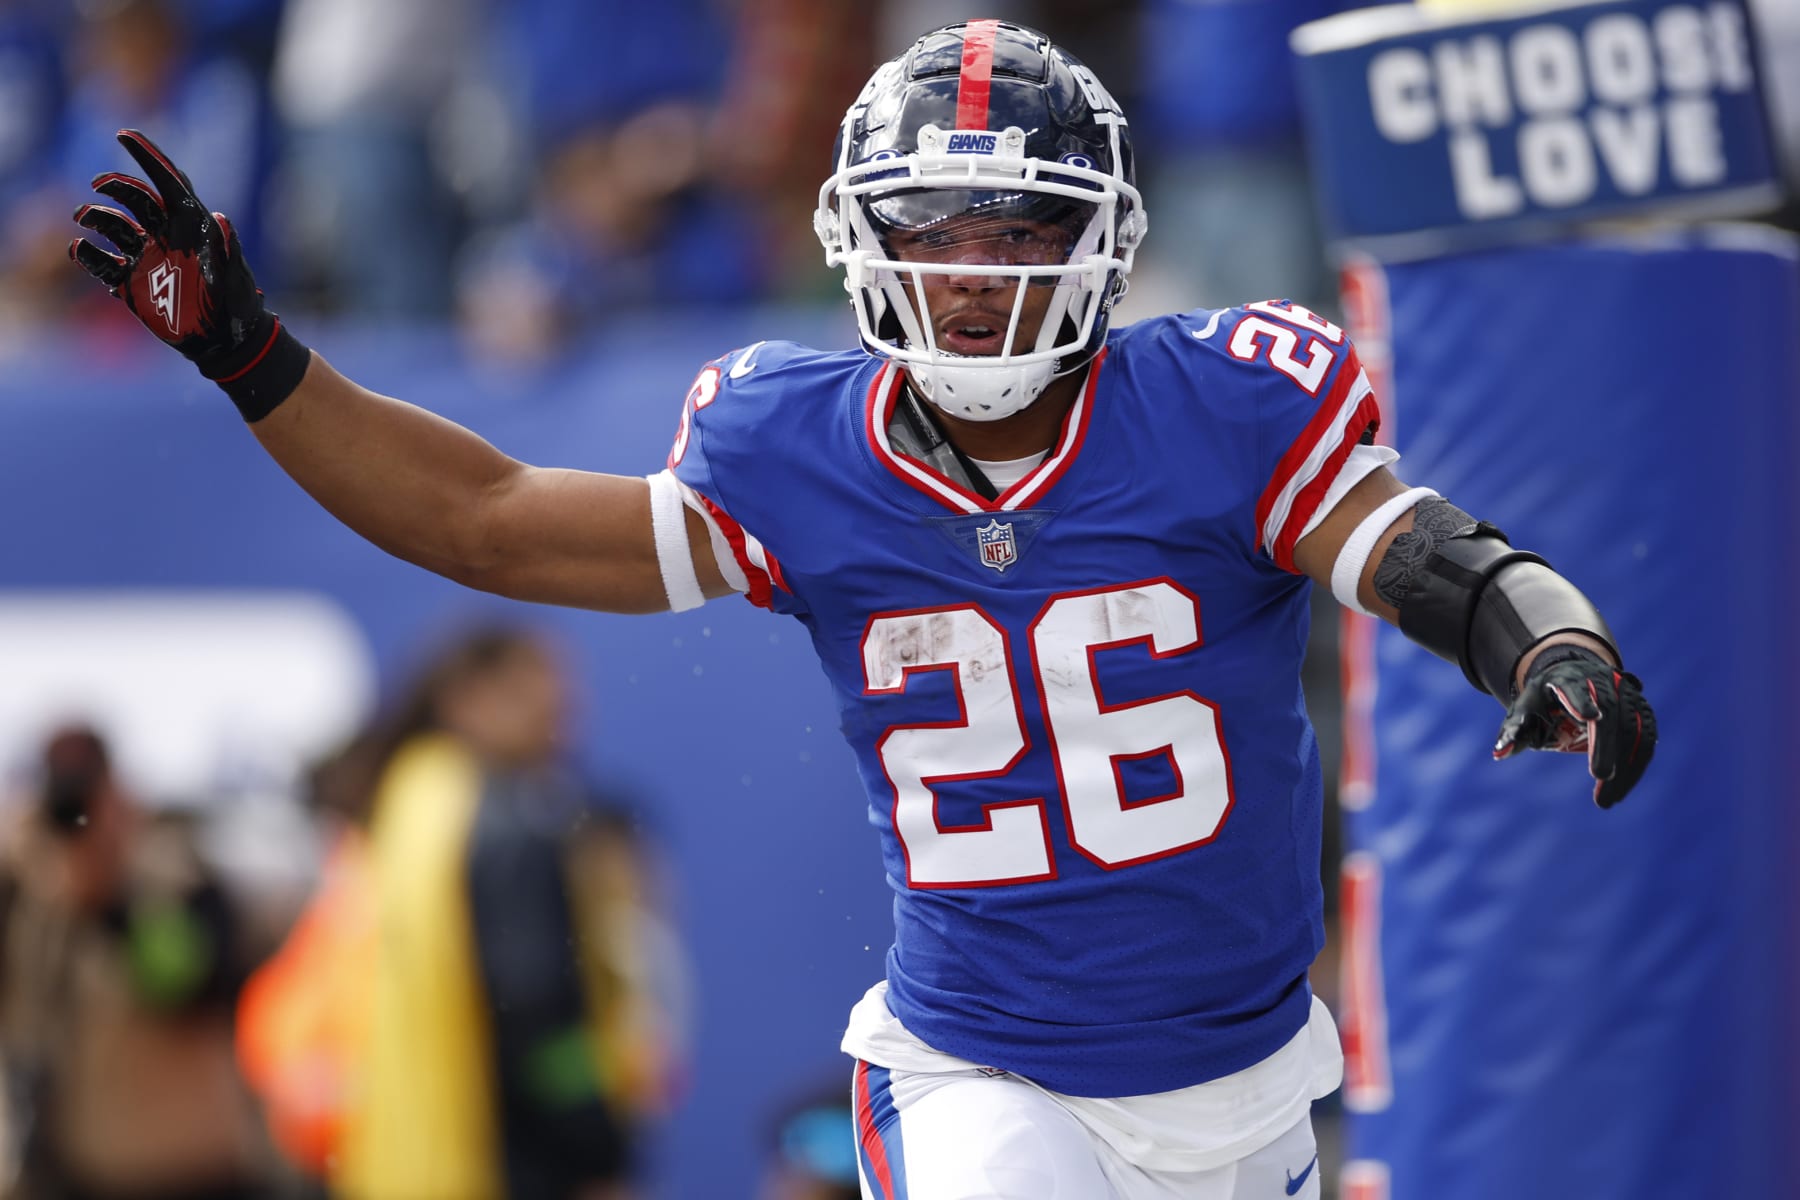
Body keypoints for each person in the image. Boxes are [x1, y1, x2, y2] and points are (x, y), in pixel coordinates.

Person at [66, 18, 1657, 1199]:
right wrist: (258, 360)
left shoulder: (1222, 407)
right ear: (863, 241)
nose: (973, 272)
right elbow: (487, 520)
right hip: (984, 1074)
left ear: (1100, 240)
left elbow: (1414, 543)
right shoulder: (797, 448)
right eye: (934, 232)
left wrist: (1548, 633)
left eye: (1017, 229)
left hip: (1245, 1080)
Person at [235, 624, 677, 1199]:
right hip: (499, 1165)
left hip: (388, 1164)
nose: (563, 717)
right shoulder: (508, 822)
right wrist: (595, 1146)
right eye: (539, 697)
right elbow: (535, 1010)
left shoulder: (398, 807)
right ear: (466, 699)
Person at [0, 725, 279, 1200]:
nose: (78, 819)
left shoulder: (179, 877)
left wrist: (109, 902)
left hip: (192, 1175)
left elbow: (190, 985)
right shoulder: (34, 893)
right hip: (78, 1175)